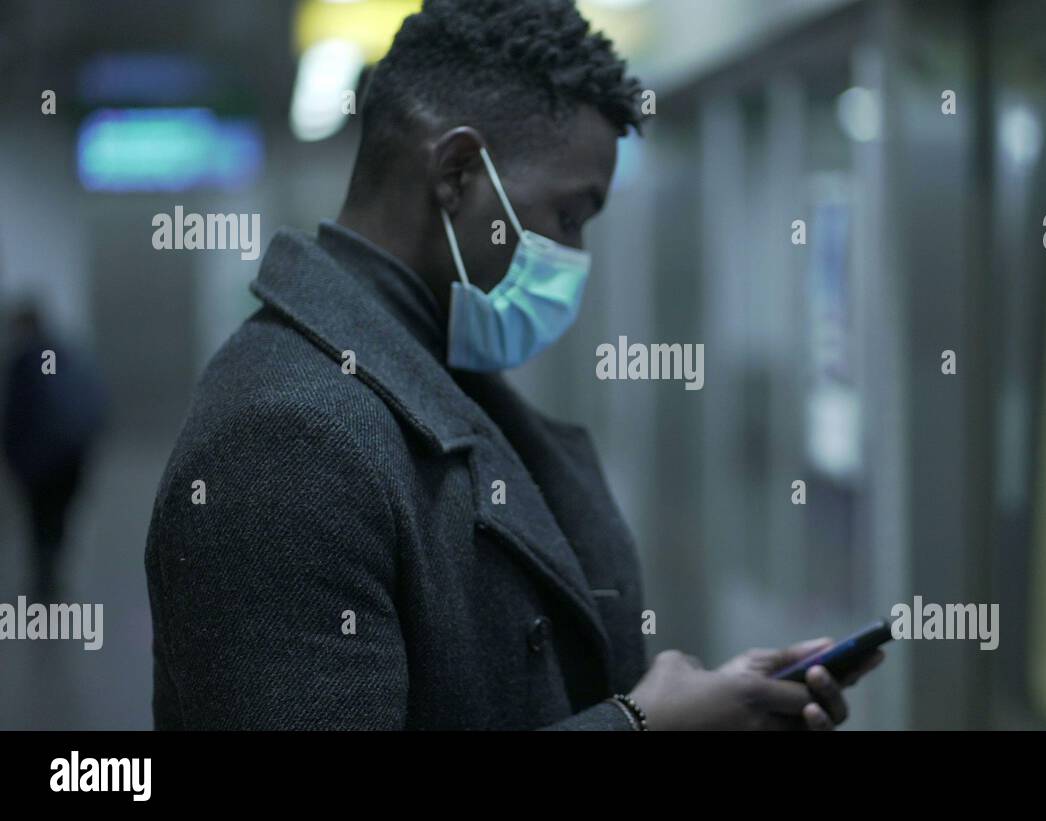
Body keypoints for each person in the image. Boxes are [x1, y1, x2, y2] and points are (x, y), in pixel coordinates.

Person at [145, 0, 883, 731]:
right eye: (568, 216)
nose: (577, 258)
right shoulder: (283, 440)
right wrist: (639, 726)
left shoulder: (437, 372)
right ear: (459, 173)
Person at [3, 305, 106, 599]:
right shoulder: (67, 354)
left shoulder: (23, 361)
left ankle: (45, 579)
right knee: (58, 516)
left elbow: (15, 415)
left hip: (40, 458)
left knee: (40, 520)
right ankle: (53, 571)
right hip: (71, 454)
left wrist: (14, 459)